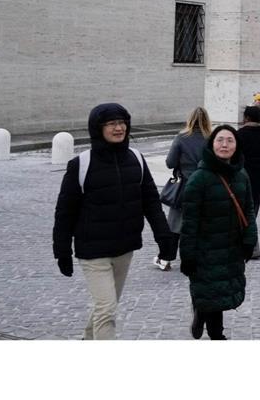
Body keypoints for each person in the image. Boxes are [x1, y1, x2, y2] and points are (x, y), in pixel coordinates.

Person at [52, 103, 177, 340]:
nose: (118, 128)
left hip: (124, 248)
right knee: (107, 309)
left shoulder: (136, 159)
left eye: (122, 123)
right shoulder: (81, 164)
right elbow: (65, 212)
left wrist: (164, 238)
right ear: (98, 128)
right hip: (93, 251)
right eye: (111, 124)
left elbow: (150, 202)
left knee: (105, 307)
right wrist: (62, 251)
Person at [180, 124, 258, 340]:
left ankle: (201, 311)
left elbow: (248, 209)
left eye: (230, 140)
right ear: (212, 144)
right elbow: (189, 221)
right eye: (220, 140)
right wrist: (187, 254)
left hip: (232, 247)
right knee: (212, 291)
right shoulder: (199, 178)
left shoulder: (241, 174)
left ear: (236, 145)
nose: (225, 144)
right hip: (206, 248)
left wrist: (250, 239)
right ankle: (217, 335)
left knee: (221, 292)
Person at [159, 106, 213, 270]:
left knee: (175, 224)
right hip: (206, 184)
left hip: (185, 185)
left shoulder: (182, 137)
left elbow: (170, 162)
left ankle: (166, 258)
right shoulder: (211, 138)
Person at [236, 106, 260, 259]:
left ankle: (252, 247)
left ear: (247, 118)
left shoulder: (240, 134)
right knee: (252, 212)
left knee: (244, 213)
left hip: (244, 175)